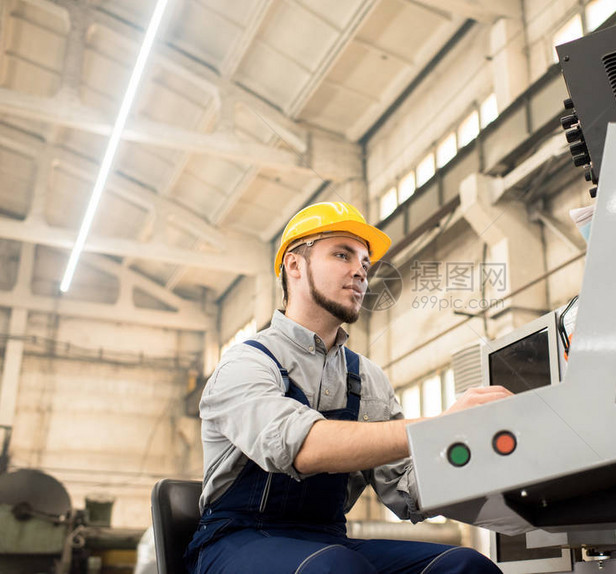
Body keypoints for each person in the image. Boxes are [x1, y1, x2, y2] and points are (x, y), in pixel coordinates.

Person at [185, 201, 513, 573]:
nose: (359, 272)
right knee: (335, 568)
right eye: (342, 255)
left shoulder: (367, 378)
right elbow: (302, 447)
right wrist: (441, 427)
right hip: (234, 541)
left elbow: (406, 490)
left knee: (464, 565)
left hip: (327, 539)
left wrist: (483, 449)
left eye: (365, 264)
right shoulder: (246, 364)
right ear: (294, 265)